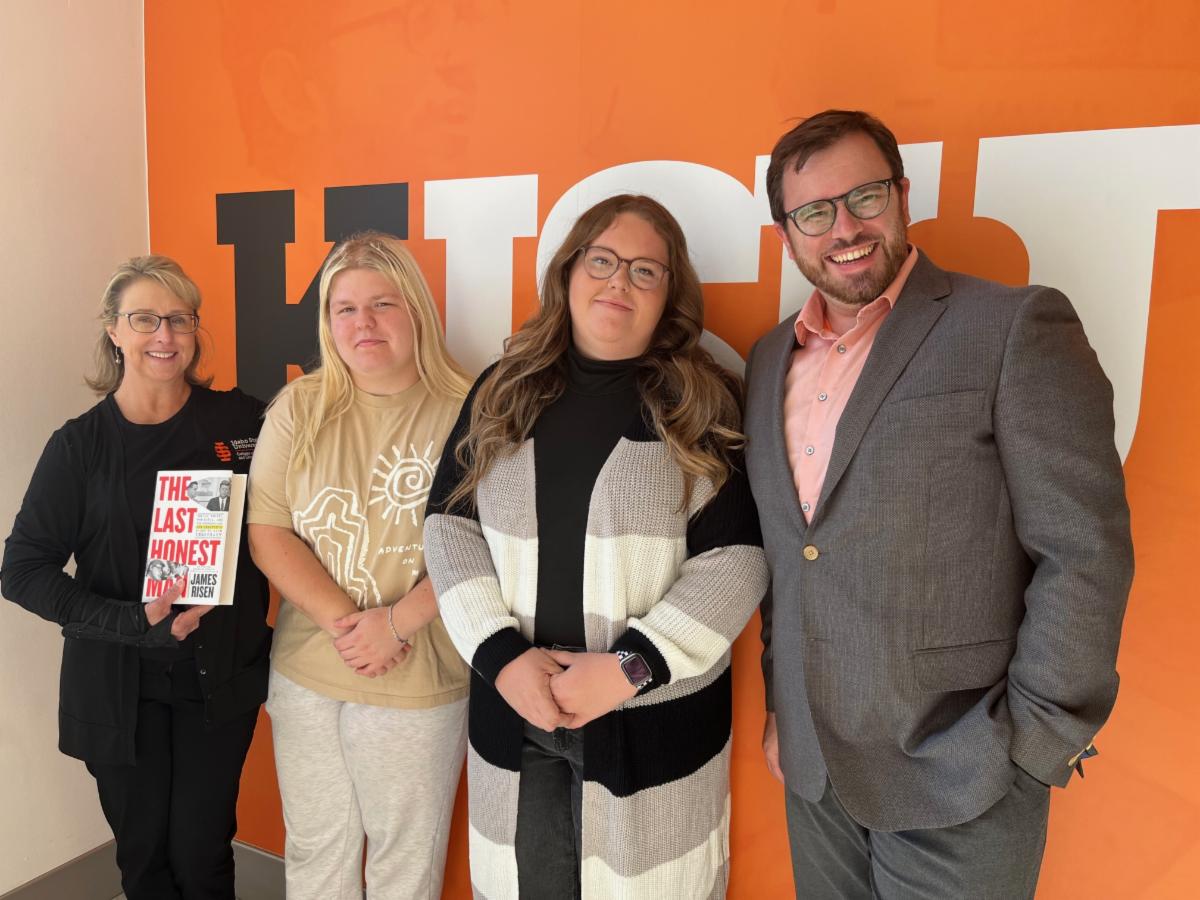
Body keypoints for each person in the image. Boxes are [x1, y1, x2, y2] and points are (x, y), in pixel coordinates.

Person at [743, 109, 1134, 898]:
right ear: (787, 232)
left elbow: (1083, 549)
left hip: (963, 773)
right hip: (816, 772)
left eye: (864, 197)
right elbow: (793, 556)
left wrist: (1034, 742)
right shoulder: (765, 358)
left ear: (903, 194)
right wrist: (785, 703)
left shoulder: (1013, 326)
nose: (844, 228)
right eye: (814, 213)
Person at [424, 194, 769, 900]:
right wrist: (500, 658)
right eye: (603, 261)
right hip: (517, 707)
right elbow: (448, 524)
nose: (619, 282)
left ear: (669, 298)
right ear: (570, 272)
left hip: (651, 717)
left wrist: (629, 669)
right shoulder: (504, 390)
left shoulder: (702, 404)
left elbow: (737, 562)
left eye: (646, 271)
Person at [1, 256, 272, 900]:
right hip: (118, 691)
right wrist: (128, 620)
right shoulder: (80, 446)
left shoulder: (243, 424)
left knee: (204, 853)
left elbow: (288, 524)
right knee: (145, 859)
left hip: (218, 682)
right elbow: (23, 569)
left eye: (179, 319)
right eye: (145, 318)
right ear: (114, 331)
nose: (165, 335)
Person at [246, 232, 472, 900]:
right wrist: (351, 625)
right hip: (309, 671)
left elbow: (491, 541)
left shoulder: (475, 408)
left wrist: (398, 625)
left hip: (419, 672)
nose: (362, 323)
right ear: (326, 323)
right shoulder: (299, 407)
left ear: (418, 312)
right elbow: (268, 529)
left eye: (382, 303)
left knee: (404, 866)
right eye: (343, 309)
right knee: (316, 851)